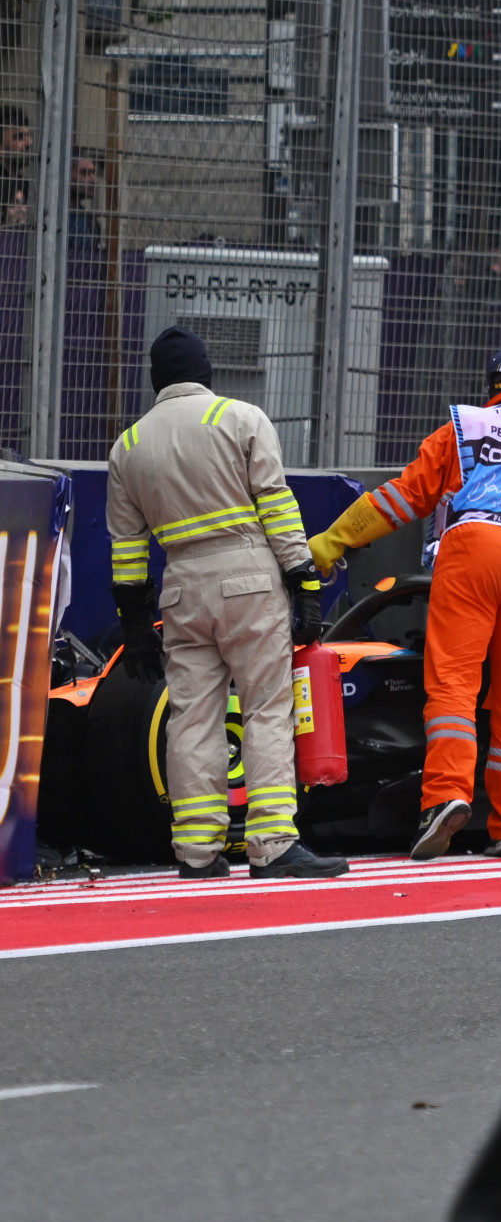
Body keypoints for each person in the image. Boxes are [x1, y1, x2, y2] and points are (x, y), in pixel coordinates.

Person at [307, 346, 501, 859]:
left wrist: (335, 539)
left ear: (493, 390)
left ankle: (447, 798)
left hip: (475, 546)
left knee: (455, 682)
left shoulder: (464, 428)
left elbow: (403, 497)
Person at [107, 327, 349, 881]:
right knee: (266, 707)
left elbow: (126, 548)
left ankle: (196, 852)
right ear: (206, 371)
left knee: (192, 716)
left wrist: (136, 622)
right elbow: (278, 507)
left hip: (180, 587)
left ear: (155, 380)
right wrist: (303, 582)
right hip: (247, 579)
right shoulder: (240, 419)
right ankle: (272, 845)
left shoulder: (128, 446)